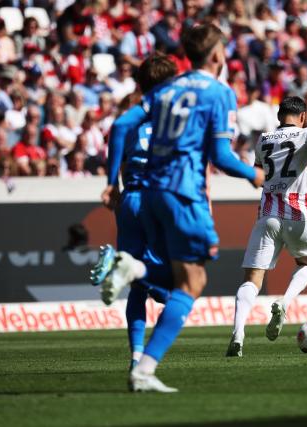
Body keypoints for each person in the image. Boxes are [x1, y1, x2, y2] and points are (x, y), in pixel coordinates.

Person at [93, 24, 265, 393]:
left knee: (175, 278)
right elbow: (220, 155)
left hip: (149, 191)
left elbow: (122, 124)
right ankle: (144, 360)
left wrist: (111, 181)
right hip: (184, 192)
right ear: (217, 55)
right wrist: (254, 174)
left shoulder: (169, 88)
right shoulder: (220, 93)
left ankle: (135, 277)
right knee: (194, 279)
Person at [227, 96, 307, 357]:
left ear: (279, 117)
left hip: (267, 215)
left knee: (252, 278)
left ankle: (238, 333)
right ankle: (284, 302)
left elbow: (256, 178)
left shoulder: (263, 139)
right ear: (302, 117)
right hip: (299, 213)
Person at [92, 54, 176, 373]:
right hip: (158, 201)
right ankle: (120, 263)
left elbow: (119, 146)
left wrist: (111, 184)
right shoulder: (172, 120)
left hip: (130, 201)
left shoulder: (129, 122)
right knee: (170, 287)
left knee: (137, 288)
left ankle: (136, 357)